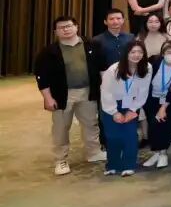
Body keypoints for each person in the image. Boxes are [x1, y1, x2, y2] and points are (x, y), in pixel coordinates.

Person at [35, 16, 107, 175]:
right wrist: (48, 98)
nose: (66, 29)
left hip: (88, 92)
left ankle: (93, 152)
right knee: (61, 128)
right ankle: (61, 160)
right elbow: (42, 77)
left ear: (76, 27)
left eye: (69, 26)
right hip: (62, 95)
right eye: (61, 27)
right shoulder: (49, 52)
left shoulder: (91, 45)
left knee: (91, 124)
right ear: (56, 32)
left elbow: (102, 68)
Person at [99, 41, 151, 176]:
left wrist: (133, 109)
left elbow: (143, 91)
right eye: (133, 52)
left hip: (132, 103)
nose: (136, 55)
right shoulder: (113, 70)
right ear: (126, 53)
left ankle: (129, 165)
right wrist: (114, 112)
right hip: (111, 104)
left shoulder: (147, 67)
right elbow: (106, 92)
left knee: (130, 135)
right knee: (112, 136)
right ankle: (112, 165)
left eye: (140, 52)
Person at [144, 40, 171, 169]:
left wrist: (164, 106)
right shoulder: (154, 61)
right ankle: (156, 153)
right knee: (152, 125)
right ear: (162, 53)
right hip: (152, 98)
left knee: (164, 125)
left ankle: (163, 153)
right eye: (168, 52)